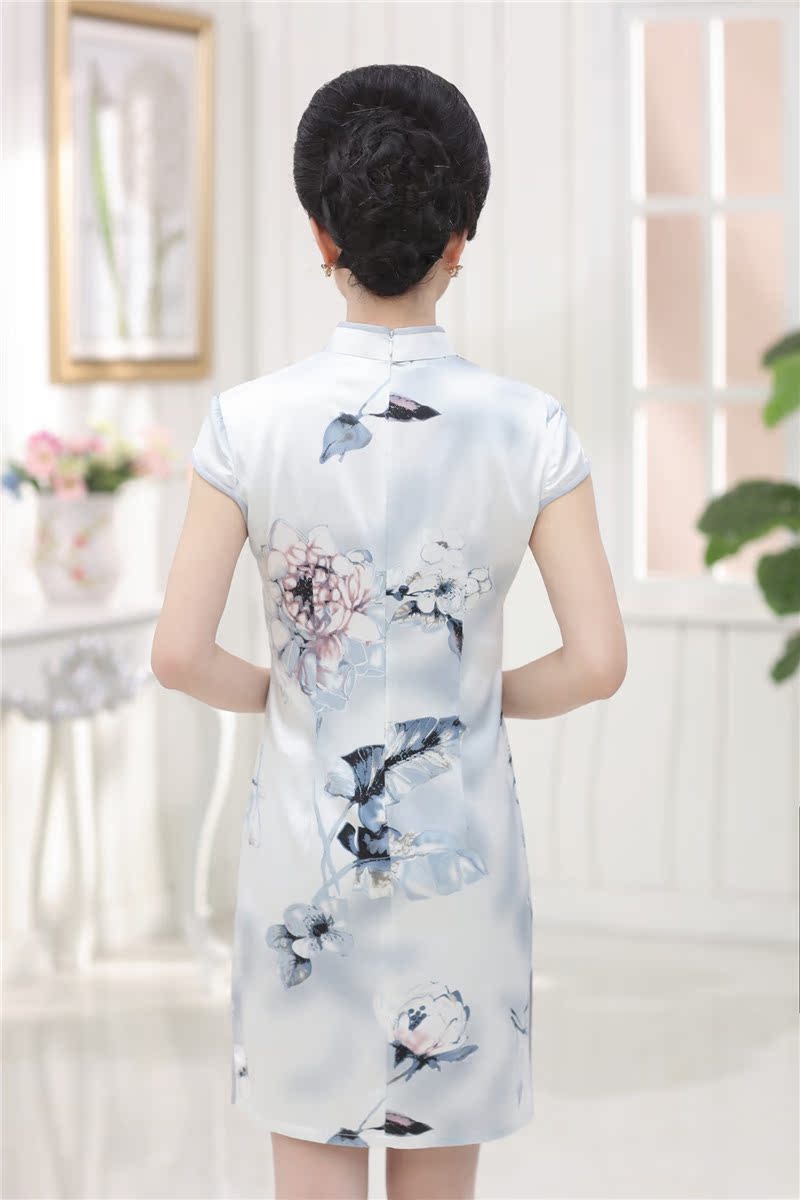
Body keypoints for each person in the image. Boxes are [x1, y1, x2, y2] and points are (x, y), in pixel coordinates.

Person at [152, 63, 626, 1200]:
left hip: (302, 866)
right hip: (460, 865)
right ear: (460, 239)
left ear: (323, 235)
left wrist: (289, 693)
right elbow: (598, 661)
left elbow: (177, 654)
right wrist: (470, 693)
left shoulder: (246, 424)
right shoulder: (530, 428)